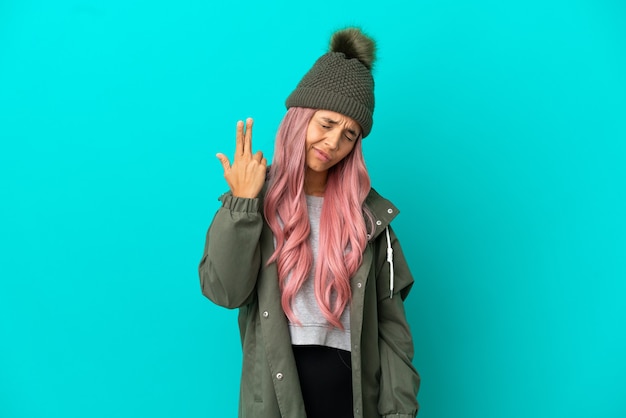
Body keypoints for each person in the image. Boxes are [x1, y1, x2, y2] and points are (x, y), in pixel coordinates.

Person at [199, 27, 420, 418]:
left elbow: (392, 332)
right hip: (276, 398)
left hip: (352, 399)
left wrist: (399, 411)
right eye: (327, 123)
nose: (334, 143)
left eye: (350, 134)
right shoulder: (255, 202)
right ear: (301, 119)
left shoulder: (371, 220)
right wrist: (242, 204)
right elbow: (224, 292)